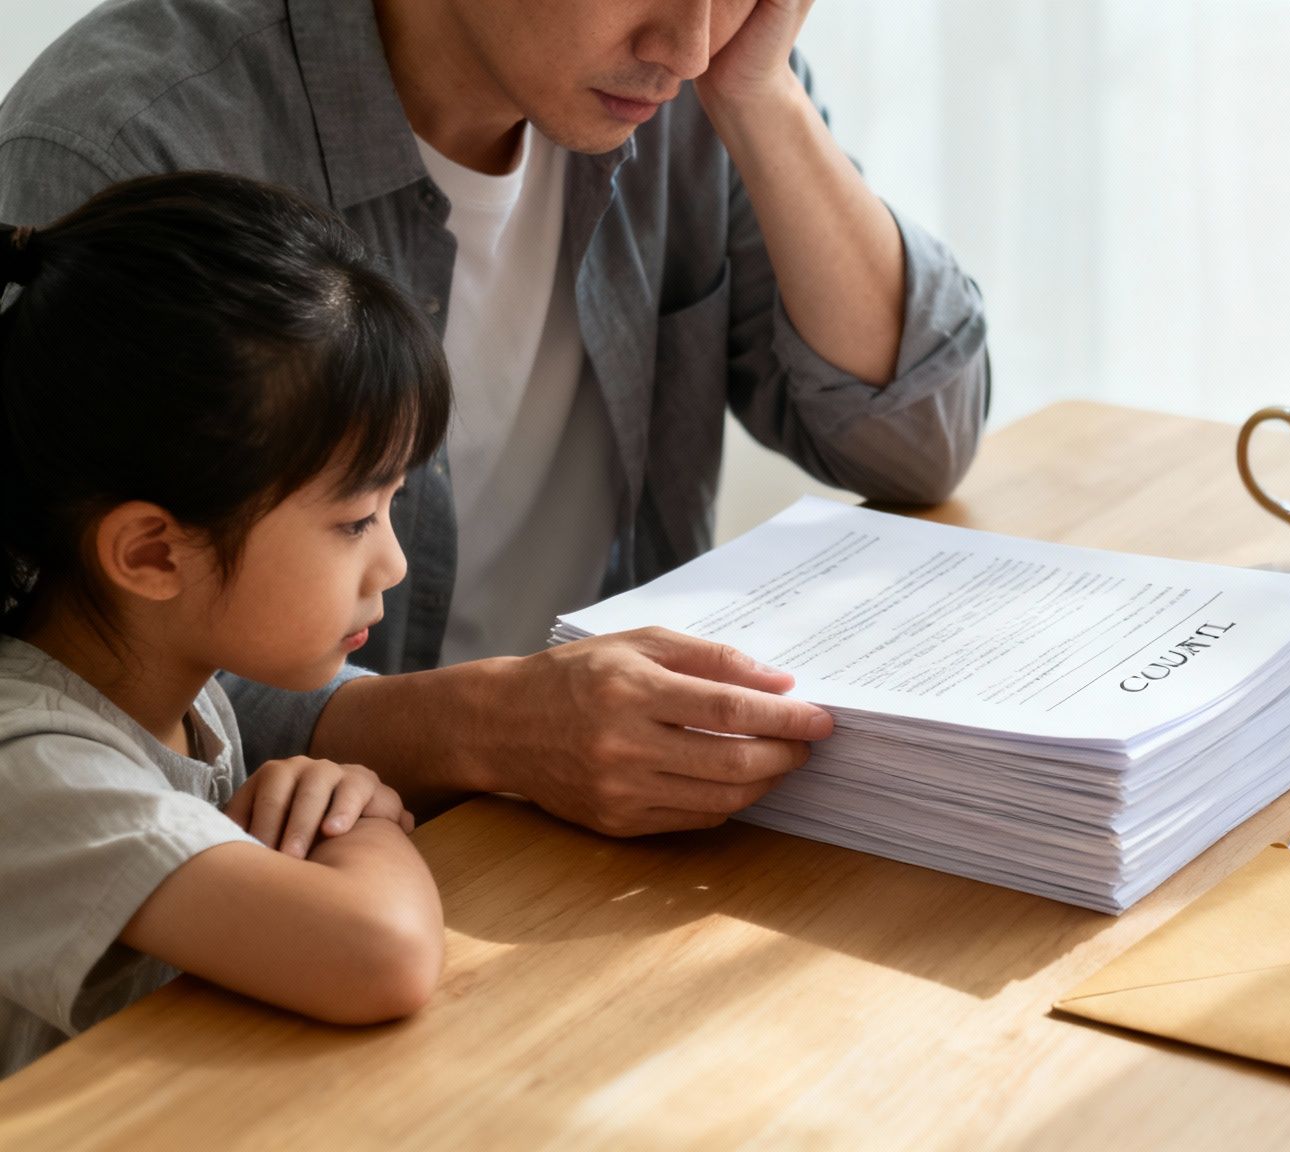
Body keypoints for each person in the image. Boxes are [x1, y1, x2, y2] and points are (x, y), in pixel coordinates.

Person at [0, 0, 992, 837]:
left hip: (616, 836)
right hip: (296, 893)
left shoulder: (704, 79)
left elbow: (918, 443)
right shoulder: (126, 150)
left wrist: (761, 96)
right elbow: (57, 675)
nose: (688, 48)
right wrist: (482, 727)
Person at [0, 171, 452, 1077]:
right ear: (155, 555)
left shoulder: (185, 693)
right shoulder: (35, 771)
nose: (394, 563)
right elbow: (382, 956)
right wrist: (365, 817)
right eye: (356, 521)